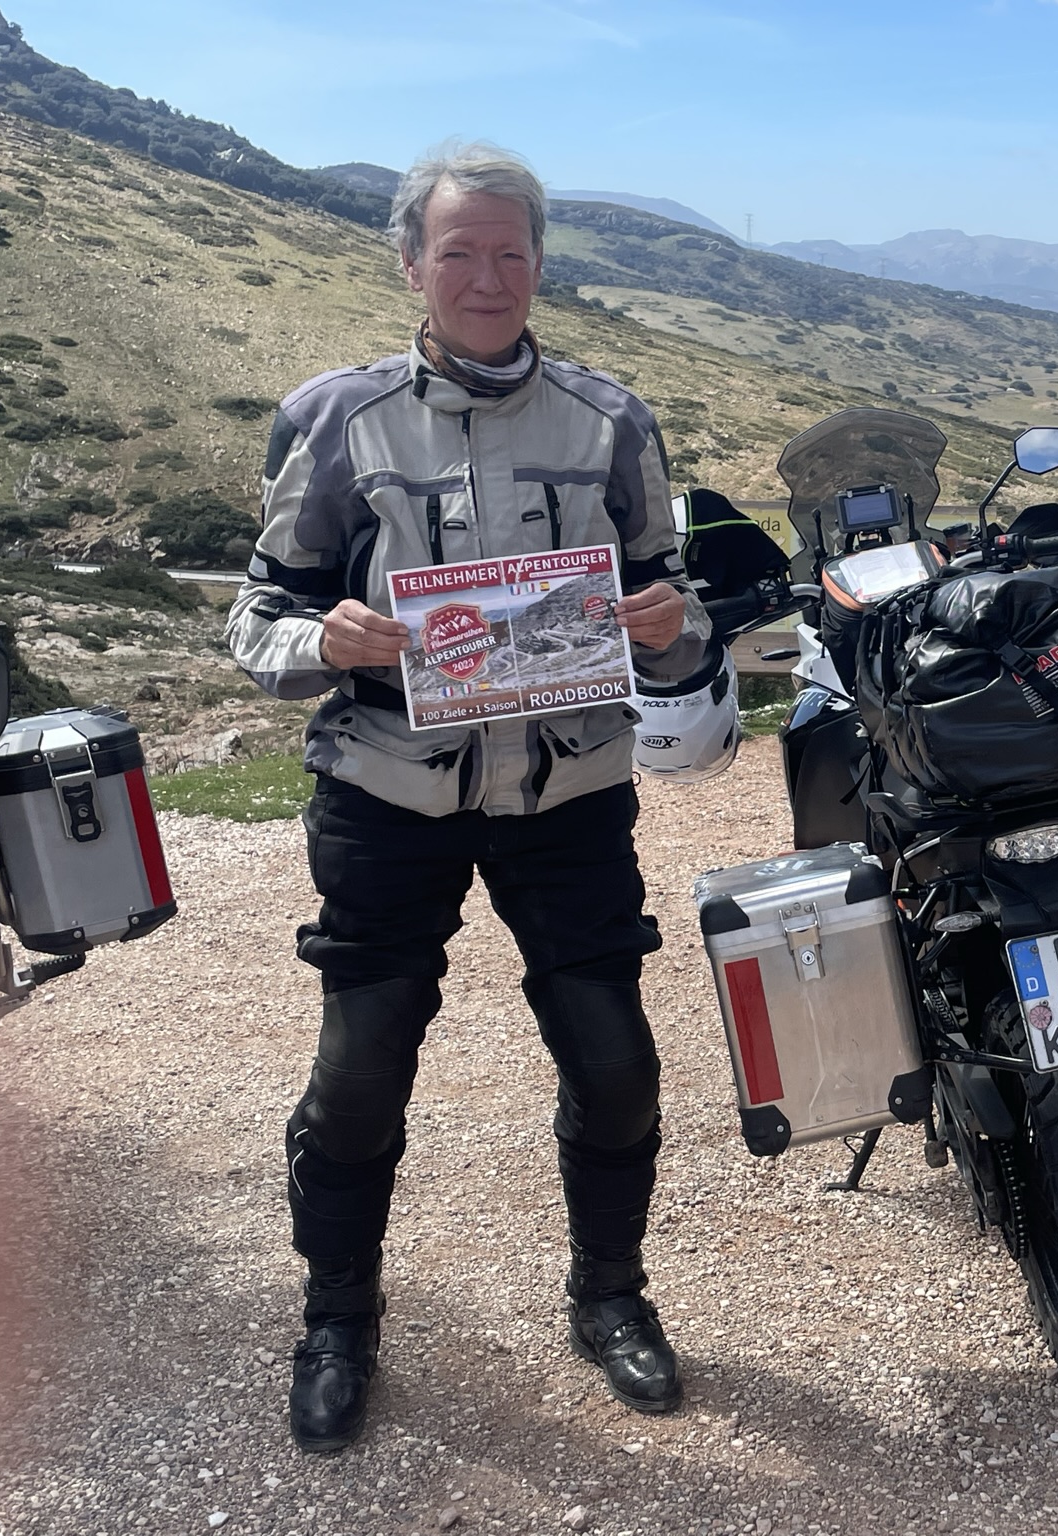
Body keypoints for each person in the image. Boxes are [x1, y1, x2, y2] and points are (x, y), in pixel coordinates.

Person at [225, 143, 710, 1453]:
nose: (487, 277)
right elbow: (259, 615)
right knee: (359, 1077)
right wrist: (320, 640)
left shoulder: (612, 422)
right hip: (388, 794)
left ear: (540, 264)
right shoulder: (334, 419)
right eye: (459, 251)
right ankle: (337, 1320)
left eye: (510, 252)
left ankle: (610, 1296)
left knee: (616, 1066)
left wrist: (673, 630)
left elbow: (677, 612)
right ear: (411, 265)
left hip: (571, 794)